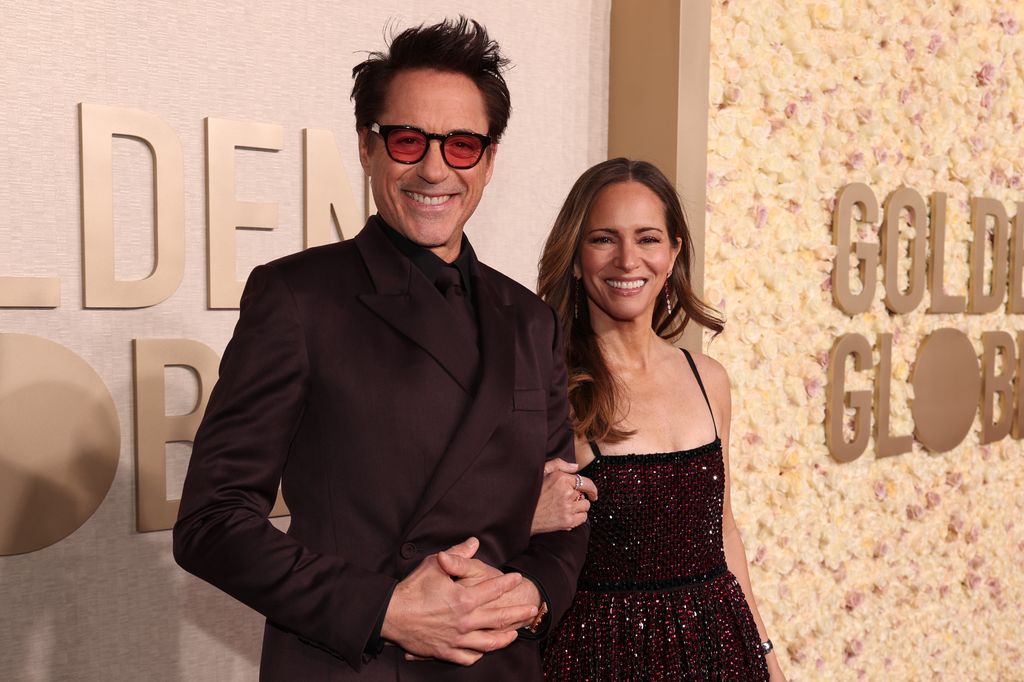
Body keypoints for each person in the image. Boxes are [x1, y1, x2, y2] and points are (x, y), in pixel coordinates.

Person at [172, 18, 588, 681]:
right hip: (355, 666)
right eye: (406, 141)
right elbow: (212, 524)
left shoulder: (530, 318)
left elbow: (565, 511)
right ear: (368, 148)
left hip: (499, 665)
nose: (433, 169)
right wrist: (383, 608)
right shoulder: (297, 298)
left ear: (488, 159)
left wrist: (534, 595)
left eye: (460, 146)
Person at [534, 158, 786, 681]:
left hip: (720, 647)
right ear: (576, 258)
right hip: (604, 657)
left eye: (648, 239)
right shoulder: (553, 389)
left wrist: (765, 653)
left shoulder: (708, 377)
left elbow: (724, 531)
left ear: (672, 254)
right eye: (604, 238)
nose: (628, 260)